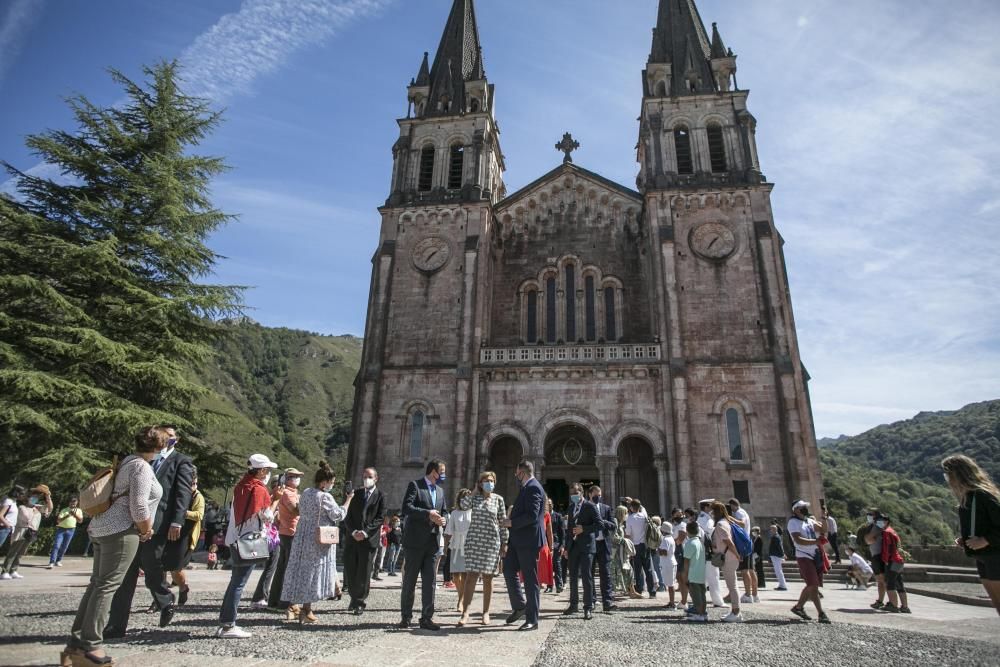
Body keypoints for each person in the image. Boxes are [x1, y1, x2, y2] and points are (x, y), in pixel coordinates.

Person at [60, 426, 166, 667]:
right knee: (107, 587)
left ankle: (75, 644)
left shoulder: (128, 461)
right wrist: (146, 528)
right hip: (122, 531)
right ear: (158, 447)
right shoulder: (141, 466)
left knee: (97, 585)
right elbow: (138, 505)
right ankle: (90, 646)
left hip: (103, 528)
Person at [106, 425, 194, 636]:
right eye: (166, 436)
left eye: (172, 437)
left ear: (176, 439)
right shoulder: (143, 460)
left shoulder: (181, 461)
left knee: (152, 565)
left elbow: (182, 494)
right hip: (133, 522)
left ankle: (164, 599)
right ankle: (116, 625)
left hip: (159, 523)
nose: (168, 439)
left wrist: (177, 521)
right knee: (127, 573)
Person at [214, 454, 278, 639]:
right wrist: (275, 500)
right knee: (239, 583)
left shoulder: (242, 485)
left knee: (235, 582)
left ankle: (225, 622)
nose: (268, 473)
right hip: (249, 541)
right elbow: (267, 516)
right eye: (267, 469)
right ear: (261, 470)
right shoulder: (259, 489)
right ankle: (228, 625)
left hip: (236, 538)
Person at [280, 461, 351, 625]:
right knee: (314, 572)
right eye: (331, 482)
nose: (332, 485)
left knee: (300, 570)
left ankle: (293, 606)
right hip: (318, 539)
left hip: (302, 535)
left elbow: (300, 509)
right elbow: (338, 515)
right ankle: (306, 609)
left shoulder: (306, 492)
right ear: (324, 482)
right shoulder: (325, 496)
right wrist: (348, 501)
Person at [943, 454, 1000, 615]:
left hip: (995, 555)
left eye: (948, 474)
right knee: (996, 603)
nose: (947, 479)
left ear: (958, 474)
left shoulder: (983, 495)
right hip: (983, 557)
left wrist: (985, 540)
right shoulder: (967, 498)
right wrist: (966, 538)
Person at [398, 459, 448, 631]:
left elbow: (444, 511)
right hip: (415, 542)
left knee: (430, 581)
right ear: (433, 471)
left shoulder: (440, 491)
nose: (443, 475)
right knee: (410, 581)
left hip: (432, 543)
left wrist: (444, 519)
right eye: (442, 471)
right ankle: (406, 617)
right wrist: (428, 514)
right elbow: (407, 508)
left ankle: (427, 617)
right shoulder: (416, 485)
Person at [502, 459, 546, 631]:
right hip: (518, 540)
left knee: (530, 579)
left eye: (517, 472)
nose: (515, 475)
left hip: (528, 540)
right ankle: (520, 605)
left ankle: (532, 619)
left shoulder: (534, 487)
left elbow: (532, 516)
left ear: (523, 472)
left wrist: (511, 523)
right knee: (508, 569)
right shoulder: (526, 487)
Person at [460, 471, 507, 626]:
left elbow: (502, 522)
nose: (489, 483)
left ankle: (485, 613)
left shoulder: (498, 500)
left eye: (492, 480)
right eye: (486, 480)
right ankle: (465, 613)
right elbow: (463, 505)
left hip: (491, 543)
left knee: (488, 578)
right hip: (474, 543)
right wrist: (474, 491)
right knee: (471, 577)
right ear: (480, 483)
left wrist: (505, 543)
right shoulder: (475, 498)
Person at [343, 467, 385, 616]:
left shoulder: (380, 496)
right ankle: (354, 598)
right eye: (364, 476)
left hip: (368, 540)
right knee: (351, 569)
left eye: (369, 476)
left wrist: (366, 532)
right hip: (353, 538)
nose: (366, 479)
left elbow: (380, 518)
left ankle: (359, 602)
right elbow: (346, 514)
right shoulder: (356, 494)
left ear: (376, 478)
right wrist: (354, 531)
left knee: (364, 572)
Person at [787, 499, 830, 624]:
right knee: (813, 585)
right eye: (802, 507)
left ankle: (798, 607)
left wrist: (824, 517)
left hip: (815, 554)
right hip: (803, 554)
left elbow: (823, 530)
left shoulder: (809, 520)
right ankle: (821, 613)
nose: (805, 508)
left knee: (812, 584)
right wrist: (816, 542)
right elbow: (798, 539)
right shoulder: (793, 522)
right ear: (795, 509)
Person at [268, 467, 302, 614]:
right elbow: (295, 510)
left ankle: (275, 601)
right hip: (289, 533)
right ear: (288, 479)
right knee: (287, 569)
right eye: (294, 476)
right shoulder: (288, 494)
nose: (297, 479)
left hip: (287, 532)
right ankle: (283, 602)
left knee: (282, 568)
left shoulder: (291, 493)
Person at [563, 482, 599, 620]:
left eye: (576, 493)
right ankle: (573, 604)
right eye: (571, 494)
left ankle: (588, 607)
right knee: (572, 577)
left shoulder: (590, 506)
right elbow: (569, 529)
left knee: (586, 577)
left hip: (587, 547)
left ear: (582, 493)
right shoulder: (571, 507)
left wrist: (584, 529)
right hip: (574, 547)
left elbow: (599, 524)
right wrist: (566, 547)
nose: (573, 496)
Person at [1, 484, 53, 579]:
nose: (35, 499)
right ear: (27, 498)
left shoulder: (36, 508)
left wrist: (48, 497)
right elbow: (26, 518)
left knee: (21, 553)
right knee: (13, 552)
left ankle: (14, 570)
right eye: (33, 498)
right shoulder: (22, 507)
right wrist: (35, 511)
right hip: (21, 531)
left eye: (36, 498)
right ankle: (5, 571)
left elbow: (50, 508)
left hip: (30, 532)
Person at [249, 478, 284, 611]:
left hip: (269, 536)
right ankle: (259, 597)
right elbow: (268, 517)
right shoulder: (271, 499)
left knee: (269, 567)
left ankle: (261, 596)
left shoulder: (269, 497)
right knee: (270, 567)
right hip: (270, 537)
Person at [171, 473, 204, 607]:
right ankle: (160, 597)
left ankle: (183, 587)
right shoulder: (177, 494)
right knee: (163, 566)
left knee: (176, 567)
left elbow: (199, 515)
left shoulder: (198, 497)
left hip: (187, 536)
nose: (193, 486)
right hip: (172, 533)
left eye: (195, 484)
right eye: (191, 483)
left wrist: (182, 512)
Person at [710, 501, 743, 622]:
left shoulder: (720, 524)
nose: (712, 514)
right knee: (732, 585)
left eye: (713, 511)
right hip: (729, 556)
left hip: (728, 557)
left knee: (732, 586)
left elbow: (728, 541)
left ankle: (736, 612)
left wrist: (737, 554)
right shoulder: (726, 522)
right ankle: (735, 611)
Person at [444, 488, 473, 623]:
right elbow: (449, 531)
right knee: (456, 576)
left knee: (466, 575)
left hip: (469, 546)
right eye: (463, 498)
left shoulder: (473, 513)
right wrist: (445, 547)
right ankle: (461, 597)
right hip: (456, 545)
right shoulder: (454, 513)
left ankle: (461, 601)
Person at [588, 485, 618, 611]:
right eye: (595, 495)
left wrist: (603, 521)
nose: (598, 497)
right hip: (590, 544)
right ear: (589, 494)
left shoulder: (606, 508)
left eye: (599, 495)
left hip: (603, 544)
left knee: (606, 573)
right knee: (589, 573)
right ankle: (592, 600)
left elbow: (613, 525)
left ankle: (607, 601)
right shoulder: (585, 507)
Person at [877, 515, 910, 613]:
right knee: (899, 584)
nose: (879, 522)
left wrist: (886, 560)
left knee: (890, 583)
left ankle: (893, 605)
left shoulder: (886, 532)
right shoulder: (892, 531)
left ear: (886, 521)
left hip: (893, 560)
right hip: (899, 560)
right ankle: (905, 607)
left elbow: (888, 548)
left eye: (881, 521)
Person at [624, 499, 656, 598]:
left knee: (637, 570)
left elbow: (628, 535)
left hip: (635, 546)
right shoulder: (644, 516)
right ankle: (652, 591)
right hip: (645, 545)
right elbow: (643, 509)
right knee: (648, 569)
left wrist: (627, 548)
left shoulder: (630, 518)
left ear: (631, 508)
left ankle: (639, 589)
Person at [728, 498, 757, 603]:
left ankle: (748, 595)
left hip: (743, 542)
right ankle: (754, 594)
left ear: (732, 505)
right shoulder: (742, 511)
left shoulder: (739, 513)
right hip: (746, 541)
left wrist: (731, 518)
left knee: (745, 570)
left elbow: (742, 523)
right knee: (750, 569)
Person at [697, 499, 724, 608]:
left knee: (705, 577)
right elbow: (709, 532)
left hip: (704, 551)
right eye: (711, 507)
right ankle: (718, 601)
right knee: (714, 576)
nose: (712, 509)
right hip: (708, 550)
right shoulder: (706, 519)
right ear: (706, 507)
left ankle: (699, 599)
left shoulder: (703, 518)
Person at [860, 508, 887, 609]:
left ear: (875, 515)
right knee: (880, 580)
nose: (868, 516)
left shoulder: (879, 524)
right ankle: (881, 600)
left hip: (879, 555)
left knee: (881, 580)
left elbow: (868, 539)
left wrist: (868, 538)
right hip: (876, 554)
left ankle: (883, 601)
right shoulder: (876, 525)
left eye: (870, 514)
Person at [611, 504, 639, 599]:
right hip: (617, 553)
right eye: (626, 513)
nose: (627, 515)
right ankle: (630, 591)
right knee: (623, 571)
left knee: (629, 570)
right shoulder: (615, 522)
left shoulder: (621, 524)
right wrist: (623, 540)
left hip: (623, 552)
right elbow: (613, 536)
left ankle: (632, 591)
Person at [682, 521, 707, 622]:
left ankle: (699, 614)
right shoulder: (700, 543)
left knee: (696, 596)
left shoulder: (689, 543)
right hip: (701, 573)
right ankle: (703, 613)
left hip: (693, 573)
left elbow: (686, 562)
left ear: (687, 531)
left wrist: (685, 575)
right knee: (702, 595)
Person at [49, 497, 84, 569]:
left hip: (71, 530)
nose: (73, 505)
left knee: (65, 547)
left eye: (75, 503)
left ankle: (58, 561)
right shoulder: (64, 510)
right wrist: (67, 515)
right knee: (56, 545)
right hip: (61, 529)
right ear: (69, 503)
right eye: (72, 503)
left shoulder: (79, 510)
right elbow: (58, 521)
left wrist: (74, 515)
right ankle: (51, 562)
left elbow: (80, 521)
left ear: (77, 503)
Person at [658, 521, 677, 609]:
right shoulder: (671, 538)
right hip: (671, 562)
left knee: (670, 584)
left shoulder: (665, 539)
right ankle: (671, 602)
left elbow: (664, 552)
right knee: (670, 584)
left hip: (668, 563)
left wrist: (658, 550)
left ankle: (672, 603)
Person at [538, 497, 555, 594]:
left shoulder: (546, 515)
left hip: (543, 543)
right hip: (531, 544)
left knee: (542, 564)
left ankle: (541, 583)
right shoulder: (531, 512)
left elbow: (549, 532)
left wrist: (551, 547)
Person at [550, 502, 566, 594]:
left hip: (556, 544)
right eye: (547, 504)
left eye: (550, 504)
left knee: (557, 564)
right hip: (546, 544)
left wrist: (562, 545)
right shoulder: (542, 515)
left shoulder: (558, 516)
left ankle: (559, 585)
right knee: (549, 565)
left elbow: (562, 532)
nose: (549, 505)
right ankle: (549, 585)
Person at [0, 486, 22, 551]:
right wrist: (8, 525)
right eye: (22, 494)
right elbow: (0, 515)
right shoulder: (8, 501)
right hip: (4, 527)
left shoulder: (14, 502)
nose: (23, 496)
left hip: (8, 529)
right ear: (17, 493)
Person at [768, 524, 788, 590]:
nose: (770, 531)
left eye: (771, 529)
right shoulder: (775, 536)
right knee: (778, 571)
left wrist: (782, 554)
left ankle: (783, 585)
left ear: (774, 530)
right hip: (775, 555)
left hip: (776, 556)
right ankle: (781, 584)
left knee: (778, 571)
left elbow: (779, 547)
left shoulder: (776, 537)